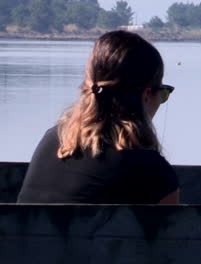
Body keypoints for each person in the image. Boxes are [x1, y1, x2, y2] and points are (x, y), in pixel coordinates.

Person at [17, 30, 179, 204]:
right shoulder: (152, 169)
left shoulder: (53, 140)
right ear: (146, 95)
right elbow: (172, 229)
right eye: (163, 93)